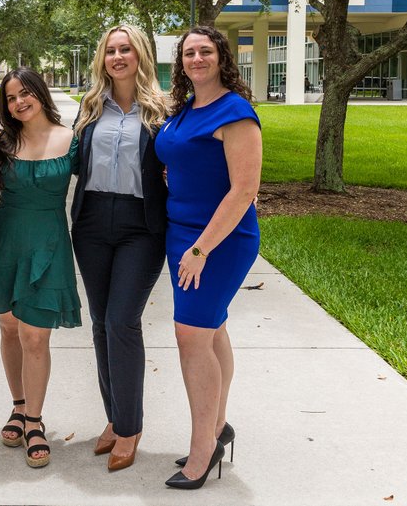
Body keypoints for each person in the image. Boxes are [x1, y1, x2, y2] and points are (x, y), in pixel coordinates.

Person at [153, 25, 262, 491]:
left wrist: (201, 249)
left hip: (218, 240)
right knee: (211, 329)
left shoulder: (236, 111)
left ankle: (203, 451)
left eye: (205, 51)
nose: (196, 58)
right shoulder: (185, 109)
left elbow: (244, 190)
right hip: (182, 235)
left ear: (221, 58)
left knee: (190, 337)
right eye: (188, 53)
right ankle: (217, 428)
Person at [70, 25, 170, 472]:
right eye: (109, 50)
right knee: (99, 322)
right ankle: (115, 419)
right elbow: (67, 157)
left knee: (121, 321)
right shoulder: (90, 109)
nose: (117, 56)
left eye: (125, 48)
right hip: (91, 223)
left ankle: (130, 427)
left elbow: (186, 157)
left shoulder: (163, 110)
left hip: (140, 227)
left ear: (140, 55)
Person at [0, 67, 81, 468]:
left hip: (50, 241)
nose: (19, 102)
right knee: (8, 327)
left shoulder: (72, 138)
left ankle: (35, 421)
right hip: (6, 239)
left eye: (26, 93)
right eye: (10, 97)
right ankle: (18, 407)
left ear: (40, 93)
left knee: (35, 336)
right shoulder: (1, 142)